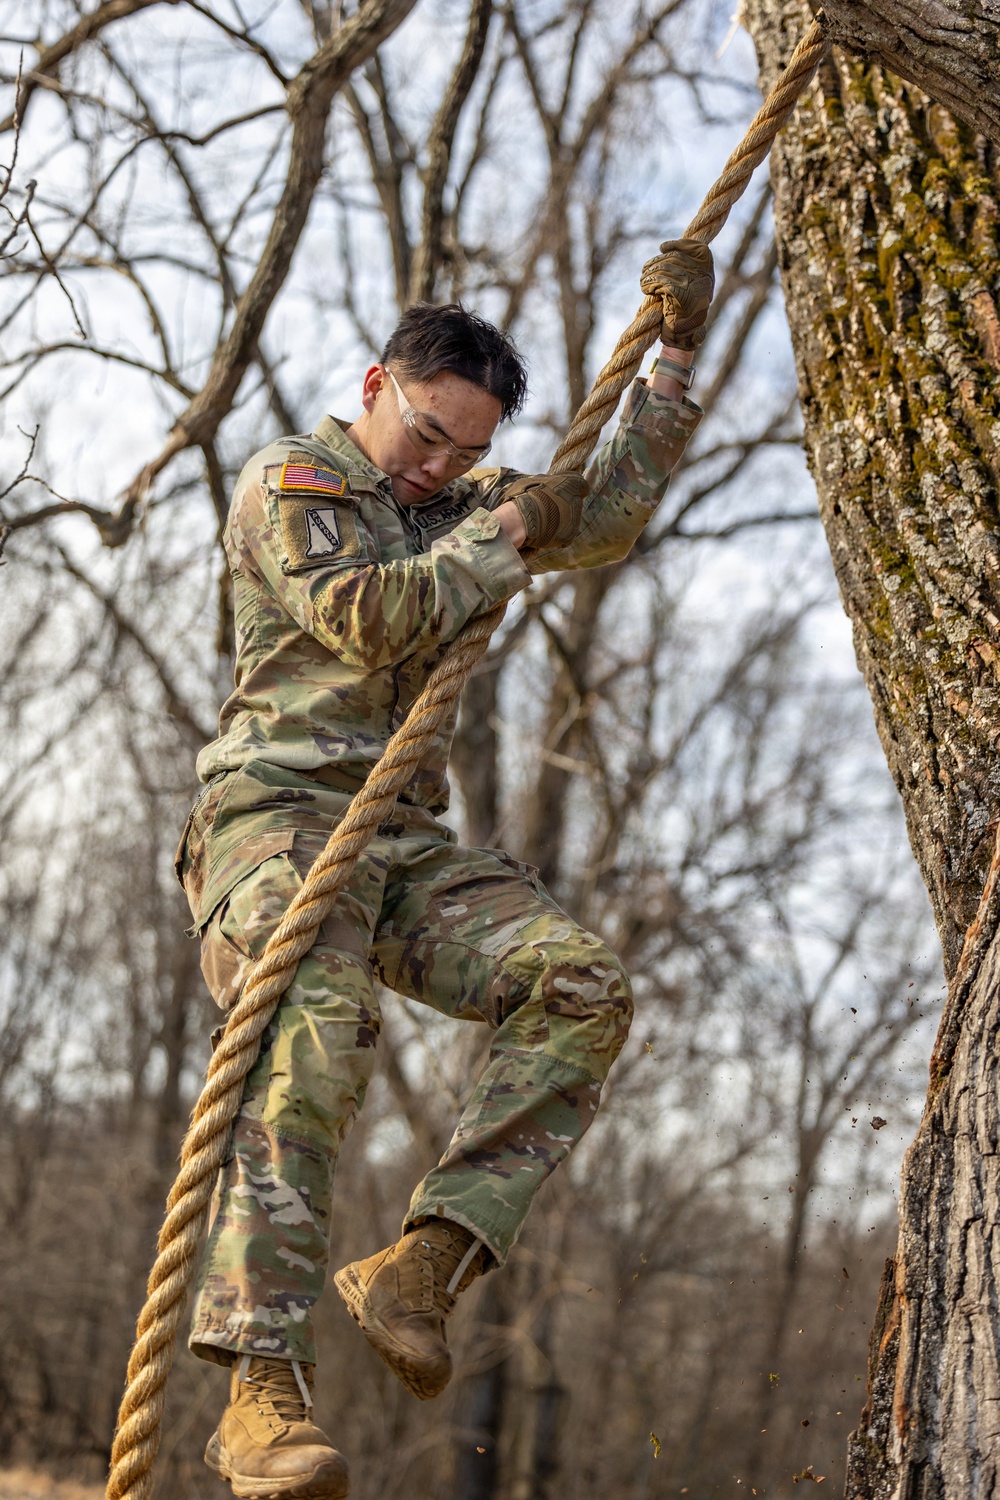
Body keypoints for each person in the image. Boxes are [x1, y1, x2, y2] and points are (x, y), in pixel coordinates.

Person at [175, 240, 713, 1499]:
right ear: (374, 386)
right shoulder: (291, 481)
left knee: (580, 985)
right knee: (318, 1014)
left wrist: (671, 363)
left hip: (402, 841)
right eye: (425, 434)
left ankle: (423, 1264)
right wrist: (501, 528)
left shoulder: (467, 504)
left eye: (467, 454)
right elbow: (370, 613)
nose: (439, 465)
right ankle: (259, 1389)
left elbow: (605, 509)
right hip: (275, 819)